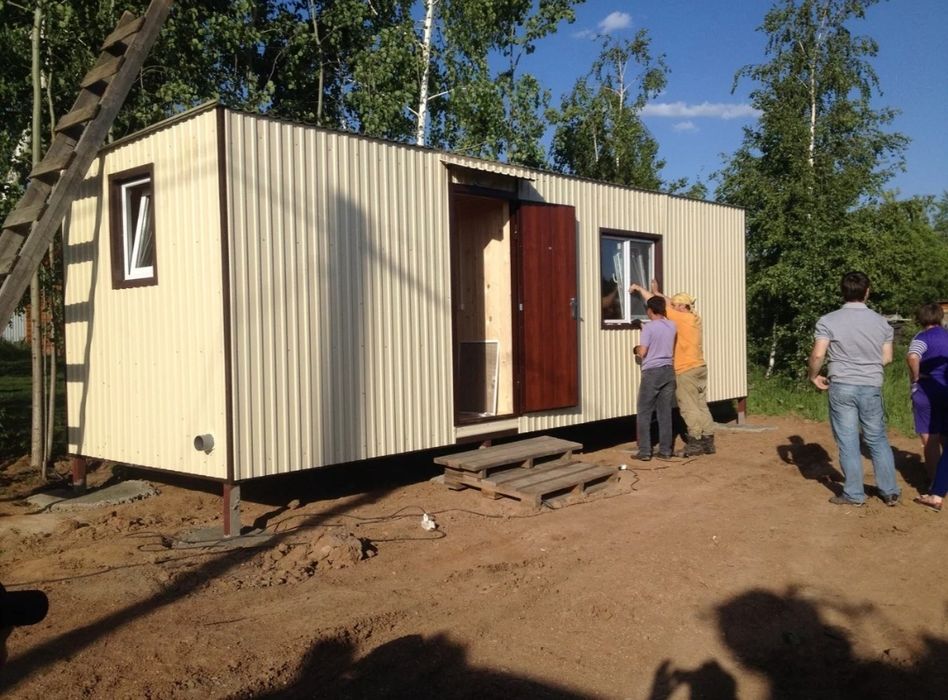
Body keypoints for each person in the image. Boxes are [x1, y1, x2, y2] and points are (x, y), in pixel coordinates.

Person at [807, 271, 900, 507]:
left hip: (842, 385)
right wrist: (866, 366)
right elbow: (887, 357)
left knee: (848, 440)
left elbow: (818, 354)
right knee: (877, 438)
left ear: (842, 291)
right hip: (871, 385)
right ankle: (890, 491)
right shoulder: (882, 323)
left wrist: (813, 376)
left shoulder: (828, 320)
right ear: (867, 292)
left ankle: (854, 494)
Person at [631, 280, 715, 457]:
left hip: (686, 369)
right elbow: (666, 303)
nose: (673, 307)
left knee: (688, 407)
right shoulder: (693, 318)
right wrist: (659, 293)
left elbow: (658, 306)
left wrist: (640, 289)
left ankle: (695, 442)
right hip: (699, 367)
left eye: (676, 305)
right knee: (701, 405)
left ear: (683, 307)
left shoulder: (679, 318)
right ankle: (708, 441)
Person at [631, 295, 677, 461]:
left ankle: (644, 451)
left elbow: (643, 352)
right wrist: (643, 327)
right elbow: (659, 333)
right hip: (668, 371)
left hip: (652, 372)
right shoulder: (672, 325)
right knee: (665, 412)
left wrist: (636, 349)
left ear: (649, 310)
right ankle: (665, 451)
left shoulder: (649, 328)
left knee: (644, 412)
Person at [906, 302, 948, 479]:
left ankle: (935, 481)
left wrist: (916, 377)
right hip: (945, 388)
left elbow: (913, 356)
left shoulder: (922, 338)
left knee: (929, 437)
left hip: (927, 390)